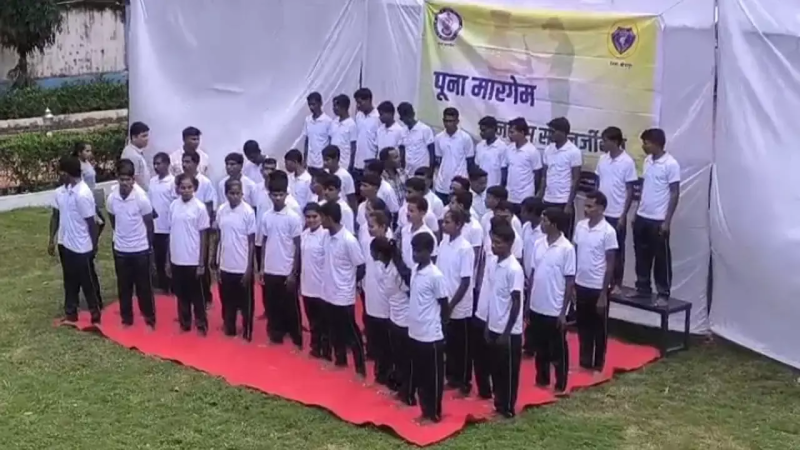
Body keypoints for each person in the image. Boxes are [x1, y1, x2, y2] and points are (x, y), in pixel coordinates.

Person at [49, 155, 103, 324]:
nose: (59, 176)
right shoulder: (62, 192)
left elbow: (92, 223)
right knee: (69, 280)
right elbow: (56, 216)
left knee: (87, 282)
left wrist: (93, 245)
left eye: (61, 172)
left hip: (81, 246)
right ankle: (71, 312)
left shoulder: (82, 194)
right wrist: (53, 239)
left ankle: (95, 313)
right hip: (66, 243)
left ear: (67, 173)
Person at [529, 207, 576, 395]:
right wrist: (528, 302)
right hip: (537, 304)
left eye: (545, 220)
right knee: (539, 345)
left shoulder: (567, 249)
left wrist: (563, 311)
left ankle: (560, 382)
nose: (541, 223)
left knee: (557, 347)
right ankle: (542, 378)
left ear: (554, 224)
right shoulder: (538, 244)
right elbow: (533, 273)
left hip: (554, 306)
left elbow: (569, 281)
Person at [631, 128, 680, 305]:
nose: (643, 146)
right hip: (642, 216)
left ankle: (663, 293)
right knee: (641, 255)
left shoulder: (671, 164)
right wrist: (637, 211)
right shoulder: (647, 161)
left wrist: (667, 221)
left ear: (656, 143)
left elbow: (674, 193)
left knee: (661, 258)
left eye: (646, 143)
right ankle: (642, 289)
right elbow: (644, 188)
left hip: (658, 219)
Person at [319, 201, 367, 378]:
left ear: (329, 218)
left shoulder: (348, 240)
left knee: (351, 332)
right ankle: (340, 360)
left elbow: (360, 266)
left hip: (343, 295)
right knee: (334, 329)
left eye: (322, 217)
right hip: (329, 292)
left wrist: (350, 284)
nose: (320, 221)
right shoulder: (326, 236)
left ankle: (360, 368)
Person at [107, 159, 156, 328]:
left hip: (140, 250)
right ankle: (126, 319)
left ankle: (149, 319)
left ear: (133, 180)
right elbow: (113, 220)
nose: (125, 183)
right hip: (121, 249)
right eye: (122, 179)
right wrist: (121, 237)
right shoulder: (112, 198)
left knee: (144, 287)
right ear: (117, 179)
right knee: (124, 287)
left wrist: (148, 247)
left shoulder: (141, 198)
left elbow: (149, 224)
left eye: (128, 179)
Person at [257, 175, 304, 348]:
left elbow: (298, 246)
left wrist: (294, 272)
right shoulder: (266, 216)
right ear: (269, 195)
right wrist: (262, 268)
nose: (277, 198)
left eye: (281, 194)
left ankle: (296, 336)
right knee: (272, 304)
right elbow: (264, 242)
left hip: (286, 268)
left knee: (290, 305)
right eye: (274, 195)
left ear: (286, 194)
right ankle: (275, 334)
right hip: (271, 268)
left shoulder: (293, 217)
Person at [574, 191, 618, 372]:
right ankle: (584, 360)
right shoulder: (580, 226)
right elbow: (576, 254)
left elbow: (610, 263)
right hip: (581, 283)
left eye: (590, 206)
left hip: (597, 286)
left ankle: (598, 363)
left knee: (598, 328)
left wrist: (603, 293)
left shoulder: (608, 232)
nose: (586, 209)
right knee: (583, 325)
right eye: (585, 205)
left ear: (601, 208)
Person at [484, 223, 525, 418]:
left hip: (508, 331)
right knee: (495, 369)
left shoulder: (514, 269)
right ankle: (498, 403)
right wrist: (487, 324)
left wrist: (507, 332)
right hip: (493, 325)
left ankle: (507, 408)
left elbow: (516, 302)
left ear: (509, 244)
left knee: (508, 372)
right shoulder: (492, 263)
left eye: (498, 243)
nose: (494, 246)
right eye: (493, 242)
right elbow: (492, 296)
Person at [407, 232, 448, 423]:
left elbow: (444, 304)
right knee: (421, 375)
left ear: (430, 251)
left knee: (433, 377)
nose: (415, 254)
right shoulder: (415, 270)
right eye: (413, 250)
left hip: (431, 335)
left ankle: (434, 413)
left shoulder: (435, 275)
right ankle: (424, 410)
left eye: (419, 251)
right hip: (415, 332)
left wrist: (442, 330)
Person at [211, 178, 257, 340]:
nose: (235, 196)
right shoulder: (222, 210)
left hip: (242, 265)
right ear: (226, 194)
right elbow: (218, 237)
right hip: (225, 264)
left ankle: (247, 331)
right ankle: (229, 327)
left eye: (238, 193)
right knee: (227, 300)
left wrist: (249, 268)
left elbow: (251, 242)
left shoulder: (248, 212)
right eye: (232, 193)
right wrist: (215, 259)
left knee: (246, 303)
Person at [594, 126, 637, 294]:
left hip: (617, 213)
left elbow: (630, 190)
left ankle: (617, 283)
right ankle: (603, 281)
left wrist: (623, 215)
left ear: (615, 142)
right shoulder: (602, 159)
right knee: (599, 248)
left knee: (617, 250)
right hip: (601, 212)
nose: (602, 143)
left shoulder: (627, 162)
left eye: (605, 141)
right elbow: (598, 183)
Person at [371, 236, 413, 403]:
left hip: (404, 320)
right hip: (395, 317)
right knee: (398, 358)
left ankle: (408, 394)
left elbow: (410, 292)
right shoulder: (387, 267)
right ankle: (401, 389)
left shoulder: (397, 272)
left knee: (405, 359)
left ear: (380, 254)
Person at [167, 173, 211, 335]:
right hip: (177, 258)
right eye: (183, 187)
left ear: (195, 188)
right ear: (178, 189)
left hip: (193, 258)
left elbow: (204, 236)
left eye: (189, 187)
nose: (186, 190)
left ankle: (201, 324)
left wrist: (201, 262)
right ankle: (185, 323)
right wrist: (168, 260)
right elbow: (171, 232)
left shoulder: (199, 207)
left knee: (197, 295)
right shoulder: (173, 206)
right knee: (181, 294)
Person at [438, 208, 475, 395]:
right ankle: (452, 377)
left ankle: (464, 381)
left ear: (459, 225)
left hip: (459, 306)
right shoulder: (443, 243)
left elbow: (465, 281)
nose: (443, 225)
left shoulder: (465, 248)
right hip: (445, 302)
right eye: (444, 221)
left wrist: (451, 305)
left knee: (462, 346)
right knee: (450, 344)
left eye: (448, 222)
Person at [362, 210, 394, 385]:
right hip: (372, 299)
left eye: (372, 226)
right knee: (375, 340)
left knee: (385, 343)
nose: (369, 229)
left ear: (383, 227)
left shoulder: (389, 247)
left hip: (384, 304)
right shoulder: (370, 241)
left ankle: (386, 375)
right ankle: (379, 373)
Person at [182, 151, 217, 308]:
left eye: (188, 162)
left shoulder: (205, 182)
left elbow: (209, 205)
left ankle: (206, 296)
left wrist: (204, 225)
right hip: (185, 227)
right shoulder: (181, 181)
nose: (185, 165)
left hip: (200, 227)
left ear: (196, 163)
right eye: (183, 162)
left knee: (201, 262)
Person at [541, 117, 582, 239]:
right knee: (545, 235)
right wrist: (540, 195)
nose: (550, 134)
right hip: (548, 199)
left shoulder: (573, 151)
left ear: (563, 132)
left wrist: (569, 204)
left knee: (563, 237)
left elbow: (576, 179)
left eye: (552, 131)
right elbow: (544, 175)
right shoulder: (548, 150)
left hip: (563, 202)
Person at [301, 203, 330, 359]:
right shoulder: (304, 235)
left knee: (324, 322)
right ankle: (315, 347)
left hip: (322, 287)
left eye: (314, 216)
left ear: (321, 217)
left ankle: (326, 351)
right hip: (307, 285)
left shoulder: (326, 235)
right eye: (308, 217)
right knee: (312, 320)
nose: (311, 220)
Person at [520, 196, 544, 357]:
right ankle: (528, 344)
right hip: (526, 274)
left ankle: (536, 344)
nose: (521, 214)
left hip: (538, 277)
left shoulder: (543, 232)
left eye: (524, 211)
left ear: (532, 213)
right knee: (526, 311)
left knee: (535, 310)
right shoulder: (526, 227)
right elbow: (522, 250)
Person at [433, 107, 475, 204]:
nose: (448, 124)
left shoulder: (465, 138)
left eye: (451, 121)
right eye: (446, 121)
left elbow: (470, 162)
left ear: (457, 121)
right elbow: (439, 160)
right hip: (442, 185)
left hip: (460, 185)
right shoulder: (438, 138)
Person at [149, 152, 177, 293]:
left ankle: (173, 284)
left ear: (167, 164)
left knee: (169, 257)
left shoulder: (173, 182)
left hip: (168, 226)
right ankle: (162, 285)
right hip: (155, 226)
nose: (156, 166)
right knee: (158, 257)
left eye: (159, 163)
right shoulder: (152, 181)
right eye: (154, 163)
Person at [506, 117, 543, 213]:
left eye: (512, 132)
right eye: (509, 132)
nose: (510, 135)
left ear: (522, 132)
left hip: (525, 196)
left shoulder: (532, 151)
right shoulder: (509, 148)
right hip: (510, 196)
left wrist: (533, 193)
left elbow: (538, 175)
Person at [399, 196, 438, 269]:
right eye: (408, 210)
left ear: (422, 213)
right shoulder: (404, 230)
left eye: (412, 211)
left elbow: (433, 258)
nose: (408, 214)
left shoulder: (428, 235)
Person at [398, 102, 434, 175]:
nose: (408, 120)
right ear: (401, 119)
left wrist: (431, 170)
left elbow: (431, 152)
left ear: (413, 114)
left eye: (409, 116)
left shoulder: (425, 129)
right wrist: (402, 166)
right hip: (408, 172)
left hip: (422, 172)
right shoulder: (402, 131)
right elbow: (402, 150)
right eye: (405, 118)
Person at [353, 88, 381, 184]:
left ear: (368, 100)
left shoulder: (378, 117)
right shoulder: (358, 116)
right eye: (357, 103)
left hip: (370, 164)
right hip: (357, 163)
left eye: (360, 102)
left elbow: (379, 141)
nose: (358, 105)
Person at [474, 116, 508, 189]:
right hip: (480, 189)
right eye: (481, 130)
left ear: (493, 129)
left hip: (494, 189)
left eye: (484, 130)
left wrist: (500, 190)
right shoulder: (479, 146)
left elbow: (504, 173)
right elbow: (477, 167)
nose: (481, 133)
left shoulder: (502, 147)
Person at [302, 92, 332, 171]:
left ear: (320, 103)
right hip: (310, 163)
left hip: (322, 164)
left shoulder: (328, 121)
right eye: (309, 105)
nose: (311, 107)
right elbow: (307, 141)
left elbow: (330, 142)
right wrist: (305, 159)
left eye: (313, 104)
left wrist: (328, 162)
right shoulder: (308, 120)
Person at [322, 144, 358, 211]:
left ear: (336, 159)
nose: (325, 163)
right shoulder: (324, 173)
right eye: (324, 160)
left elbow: (351, 198)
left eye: (327, 160)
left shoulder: (345, 176)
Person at [329, 94, 358, 171]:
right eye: (333, 106)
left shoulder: (351, 124)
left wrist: (351, 164)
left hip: (345, 163)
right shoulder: (334, 122)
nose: (334, 108)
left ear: (344, 107)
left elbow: (353, 147)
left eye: (336, 106)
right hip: (333, 162)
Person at [121, 121, 151, 191]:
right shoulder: (132, 155)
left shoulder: (134, 151)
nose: (147, 139)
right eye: (144, 136)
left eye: (147, 135)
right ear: (134, 137)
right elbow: (135, 180)